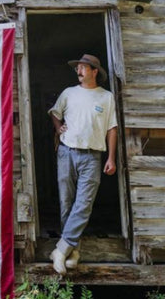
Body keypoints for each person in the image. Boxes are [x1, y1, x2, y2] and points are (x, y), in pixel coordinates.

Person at [47, 53, 117, 274]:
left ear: (95, 71)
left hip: (92, 156)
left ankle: (60, 250)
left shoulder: (106, 97)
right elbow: (54, 113)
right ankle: (73, 252)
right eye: (77, 68)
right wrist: (58, 128)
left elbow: (111, 128)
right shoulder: (69, 93)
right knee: (67, 202)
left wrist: (111, 157)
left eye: (83, 68)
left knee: (84, 203)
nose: (79, 71)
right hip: (67, 152)